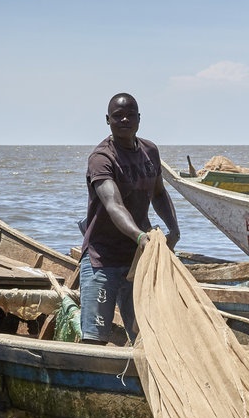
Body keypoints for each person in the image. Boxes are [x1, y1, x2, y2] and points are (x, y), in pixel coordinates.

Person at [77, 93, 180, 345]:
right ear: (107, 120)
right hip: (103, 259)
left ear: (139, 118)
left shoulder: (150, 151)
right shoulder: (102, 158)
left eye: (130, 115)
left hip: (138, 260)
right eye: (117, 116)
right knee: (94, 340)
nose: (124, 119)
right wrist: (139, 236)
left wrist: (174, 230)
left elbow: (159, 193)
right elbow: (114, 205)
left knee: (146, 338)